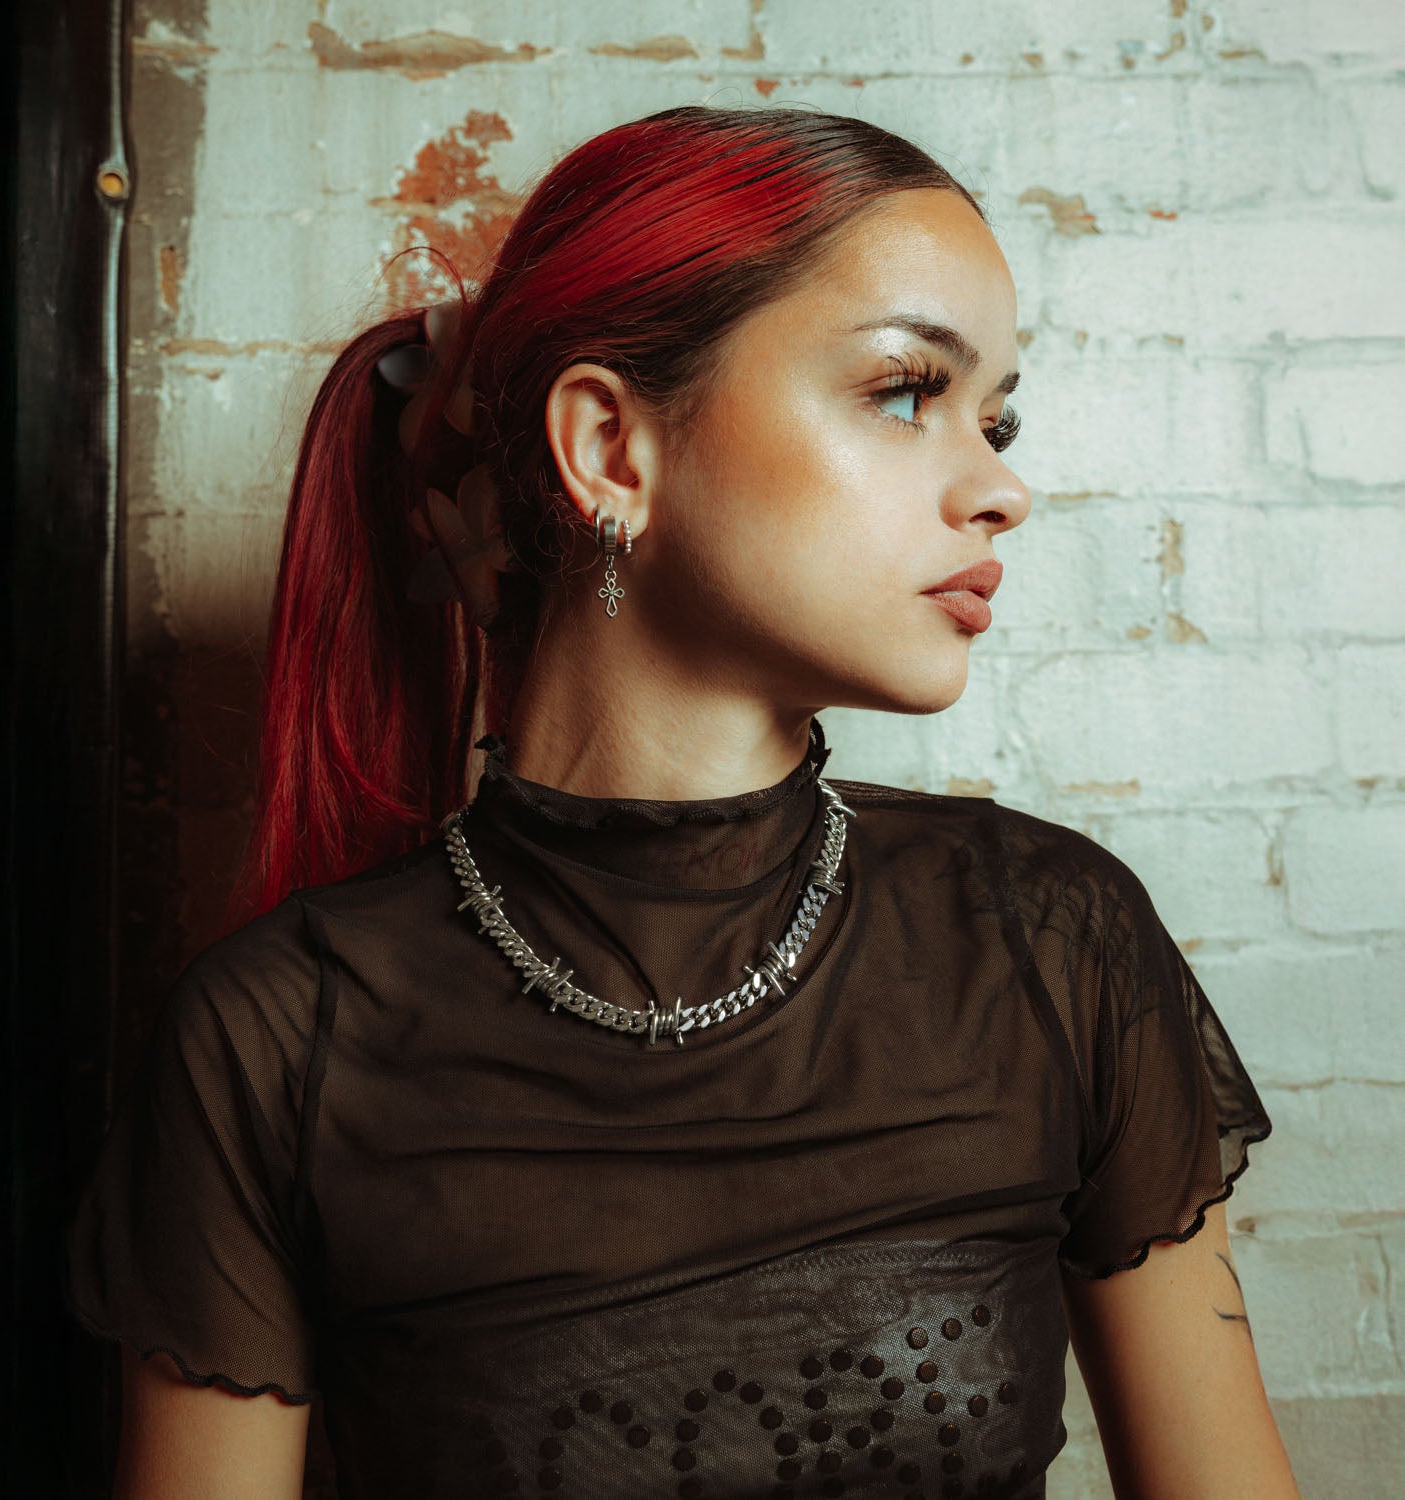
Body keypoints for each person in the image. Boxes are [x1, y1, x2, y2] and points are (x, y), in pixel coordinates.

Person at [65, 105, 1297, 1499]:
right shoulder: (277, 1038)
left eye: (996, 417)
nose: (1003, 486)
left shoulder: (1052, 942)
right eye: (904, 391)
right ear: (609, 447)